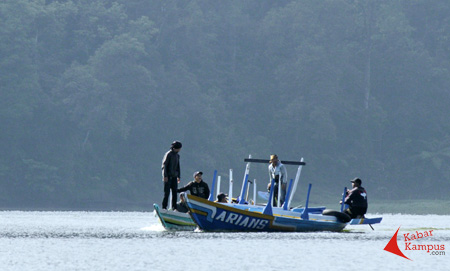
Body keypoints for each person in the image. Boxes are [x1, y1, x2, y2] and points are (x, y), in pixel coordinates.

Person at [161, 141, 182, 210]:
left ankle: (174, 208)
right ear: (175, 148)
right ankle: (164, 207)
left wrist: (179, 176)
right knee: (166, 193)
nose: (179, 150)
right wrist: (165, 176)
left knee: (174, 193)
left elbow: (178, 166)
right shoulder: (168, 154)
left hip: (174, 177)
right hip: (168, 177)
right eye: (179, 148)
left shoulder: (177, 155)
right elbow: (164, 166)